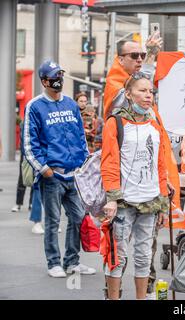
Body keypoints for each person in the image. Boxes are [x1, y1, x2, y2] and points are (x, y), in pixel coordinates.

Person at [102, 34, 181, 294]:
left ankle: (144, 295)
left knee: (145, 254)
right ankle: (113, 295)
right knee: (118, 254)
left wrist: (162, 197)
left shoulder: (152, 121)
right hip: (125, 195)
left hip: (149, 194)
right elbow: (110, 159)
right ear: (120, 59)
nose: (139, 59)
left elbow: (159, 160)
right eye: (134, 56)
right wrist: (112, 196)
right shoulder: (116, 92)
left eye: (141, 56)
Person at [23, 60, 95, 277]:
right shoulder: (34, 106)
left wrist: (85, 162)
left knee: (78, 217)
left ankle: (72, 261)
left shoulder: (72, 104)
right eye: (54, 77)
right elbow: (29, 143)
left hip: (75, 175)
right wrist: (43, 169)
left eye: (60, 75)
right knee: (52, 222)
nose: (58, 80)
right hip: (52, 175)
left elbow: (81, 136)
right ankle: (53, 263)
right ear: (44, 81)